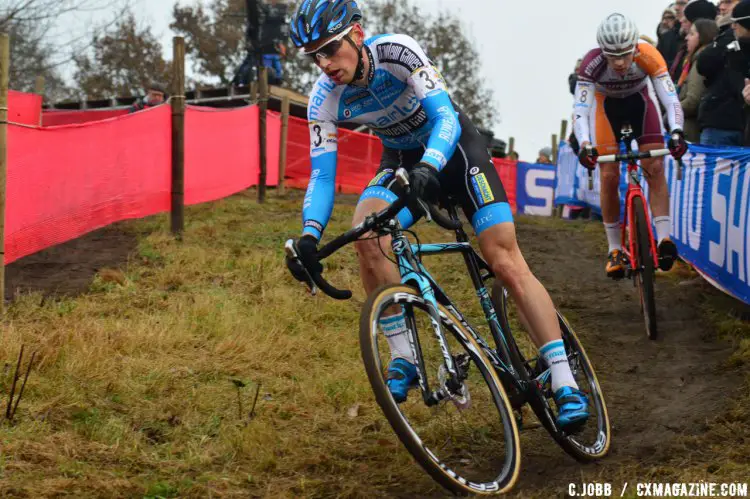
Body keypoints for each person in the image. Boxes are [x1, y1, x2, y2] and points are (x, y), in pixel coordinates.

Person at [285, 0, 589, 430]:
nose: (324, 63)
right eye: (313, 55)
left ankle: (564, 380)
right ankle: (403, 354)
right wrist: (309, 236)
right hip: (404, 161)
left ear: (357, 33)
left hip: (457, 151)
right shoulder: (324, 99)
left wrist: (431, 164)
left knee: (502, 260)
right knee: (366, 234)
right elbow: (321, 173)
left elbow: (444, 115)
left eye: (330, 48)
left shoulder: (398, 51)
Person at [573, 13, 686, 279]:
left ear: (634, 47)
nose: (621, 62)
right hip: (606, 108)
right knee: (609, 174)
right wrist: (586, 144)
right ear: (603, 52)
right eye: (613, 56)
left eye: (625, 54)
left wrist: (677, 132)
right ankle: (614, 248)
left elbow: (670, 99)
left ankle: (664, 239)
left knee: (655, 166)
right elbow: (580, 109)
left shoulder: (649, 55)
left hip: (640, 103)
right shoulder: (592, 64)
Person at [697, 0, 750, 146]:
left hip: (736, 125)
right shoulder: (729, 41)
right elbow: (703, 64)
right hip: (721, 122)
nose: (733, 26)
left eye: (736, 22)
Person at [679, 19, 719, 142]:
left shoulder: (700, 62)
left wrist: (672, 111)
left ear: (703, 37)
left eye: (692, 34)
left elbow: (693, 101)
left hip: (691, 132)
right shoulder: (695, 60)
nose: (686, 38)